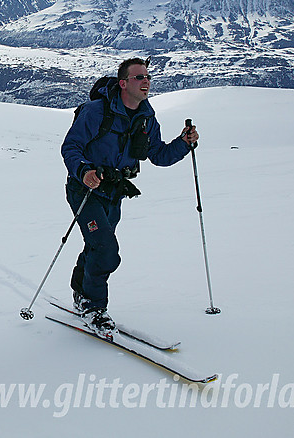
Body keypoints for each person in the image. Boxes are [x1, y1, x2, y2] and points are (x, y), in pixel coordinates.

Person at [60, 58, 198, 337]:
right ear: (123, 83)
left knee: (98, 245)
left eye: (147, 77)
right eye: (138, 77)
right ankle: (93, 306)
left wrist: (184, 143)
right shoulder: (95, 111)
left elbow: (158, 155)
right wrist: (84, 170)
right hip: (85, 190)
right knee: (106, 250)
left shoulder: (146, 118)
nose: (146, 81)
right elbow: (70, 147)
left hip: (114, 192)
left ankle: (80, 291)